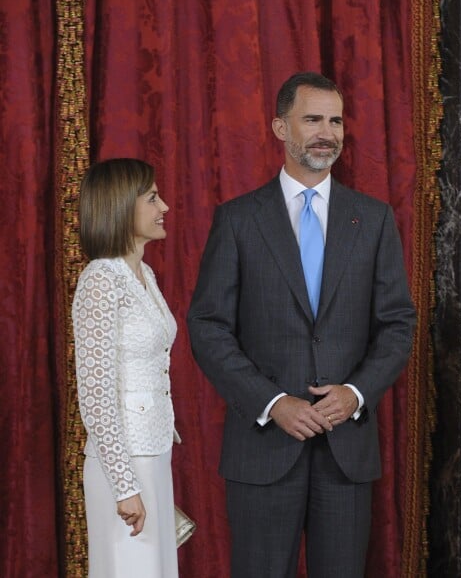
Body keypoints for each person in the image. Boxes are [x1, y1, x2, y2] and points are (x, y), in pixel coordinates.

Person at [187, 72, 416, 578]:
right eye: (312, 119)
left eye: (335, 120)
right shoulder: (238, 220)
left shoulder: (374, 219)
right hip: (263, 448)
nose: (327, 132)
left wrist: (356, 393)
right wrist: (273, 402)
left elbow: (398, 323)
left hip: (346, 453)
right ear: (279, 127)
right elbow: (207, 327)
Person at [72, 158, 179, 578]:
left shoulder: (144, 274)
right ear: (121, 206)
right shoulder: (101, 279)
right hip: (124, 464)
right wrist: (125, 485)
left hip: (153, 451)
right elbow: (96, 393)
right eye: (152, 197)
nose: (164, 206)